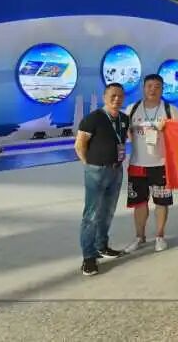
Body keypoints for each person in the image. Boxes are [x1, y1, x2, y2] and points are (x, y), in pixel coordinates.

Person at [74, 83, 130, 276]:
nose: (117, 99)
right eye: (113, 95)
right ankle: (88, 257)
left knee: (107, 211)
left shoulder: (124, 119)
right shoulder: (93, 118)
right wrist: (89, 164)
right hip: (96, 171)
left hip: (116, 171)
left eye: (120, 96)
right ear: (105, 97)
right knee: (91, 215)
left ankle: (102, 245)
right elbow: (80, 144)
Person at [123, 74, 178, 254]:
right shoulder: (132, 109)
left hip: (161, 164)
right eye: (149, 86)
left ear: (162, 89)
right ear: (143, 88)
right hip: (137, 164)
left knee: (161, 202)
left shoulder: (171, 110)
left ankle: (160, 236)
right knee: (139, 203)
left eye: (157, 86)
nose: (153, 90)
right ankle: (139, 237)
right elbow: (124, 132)